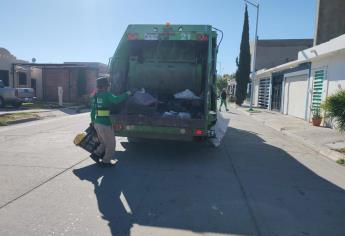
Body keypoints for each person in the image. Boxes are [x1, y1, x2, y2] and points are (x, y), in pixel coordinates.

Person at [90, 77, 131, 167]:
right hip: (105, 124)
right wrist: (127, 94)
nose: (109, 87)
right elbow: (117, 100)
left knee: (104, 142)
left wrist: (93, 121)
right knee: (111, 144)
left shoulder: (95, 96)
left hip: (97, 123)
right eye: (108, 86)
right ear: (105, 86)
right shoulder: (107, 95)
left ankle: (96, 154)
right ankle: (106, 162)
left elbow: (92, 111)